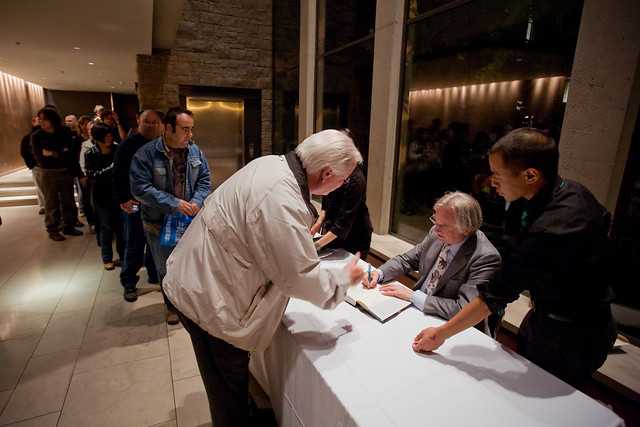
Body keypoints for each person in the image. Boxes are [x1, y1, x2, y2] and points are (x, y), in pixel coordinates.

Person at [162, 129, 366, 427]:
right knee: (225, 389)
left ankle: (244, 411)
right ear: (326, 173)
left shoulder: (270, 164)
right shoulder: (282, 199)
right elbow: (299, 278)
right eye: (343, 179)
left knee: (227, 380)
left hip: (198, 277)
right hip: (209, 299)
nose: (341, 186)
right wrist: (345, 279)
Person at [412, 128, 617, 388]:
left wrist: (441, 334)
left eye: (498, 175)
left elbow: (495, 295)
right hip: (543, 315)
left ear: (530, 175)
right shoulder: (561, 191)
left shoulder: (555, 226)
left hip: (572, 335)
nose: (491, 182)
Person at [363, 192, 501, 334]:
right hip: (416, 311)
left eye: (443, 225)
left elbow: (463, 309)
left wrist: (413, 296)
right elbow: (408, 260)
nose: (435, 228)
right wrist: (379, 273)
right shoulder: (436, 233)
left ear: (466, 229)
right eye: (435, 220)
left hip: (449, 328)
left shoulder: (485, 257)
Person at [130, 107, 211, 324]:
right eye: (185, 129)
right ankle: (172, 307)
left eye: (191, 129)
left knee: (193, 264)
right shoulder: (146, 154)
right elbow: (140, 188)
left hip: (189, 221)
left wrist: (197, 201)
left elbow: (204, 180)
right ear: (168, 128)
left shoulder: (195, 152)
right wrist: (174, 203)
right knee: (167, 267)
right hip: (158, 223)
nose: (190, 135)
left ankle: (191, 303)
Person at [113, 110, 163, 302]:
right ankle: (129, 282)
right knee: (134, 242)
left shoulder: (163, 144)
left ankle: (153, 274)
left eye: (155, 122)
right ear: (138, 121)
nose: (150, 125)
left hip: (159, 204)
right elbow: (118, 174)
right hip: (134, 203)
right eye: (146, 122)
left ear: (161, 124)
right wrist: (124, 199)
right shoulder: (128, 145)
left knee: (156, 242)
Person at [31, 107, 83, 241]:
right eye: (39, 119)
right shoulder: (37, 136)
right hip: (48, 172)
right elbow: (41, 158)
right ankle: (52, 228)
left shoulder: (64, 131)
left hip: (65, 170)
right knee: (51, 202)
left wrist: (53, 153)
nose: (41, 122)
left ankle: (69, 226)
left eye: (44, 119)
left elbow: (69, 153)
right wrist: (61, 152)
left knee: (69, 200)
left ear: (52, 119)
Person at [311, 158, 373, 257]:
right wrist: (318, 223)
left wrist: (316, 246)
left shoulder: (356, 180)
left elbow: (343, 224)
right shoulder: (335, 170)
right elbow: (326, 199)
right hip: (333, 232)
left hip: (355, 236)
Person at [85, 123, 123, 270]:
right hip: (101, 195)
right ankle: (107, 258)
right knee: (106, 227)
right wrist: (111, 168)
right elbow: (92, 175)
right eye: (106, 135)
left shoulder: (117, 149)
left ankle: (122, 256)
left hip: (118, 193)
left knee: (121, 228)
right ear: (98, 137)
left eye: (110, 134)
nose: (109, 137)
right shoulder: (91, 153)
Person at [20, 115, 45, 214]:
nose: (39, 122)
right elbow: (24, 152)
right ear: (33, 122)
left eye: (41, 120)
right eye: (37, 121)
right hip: (36, 166)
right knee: (39, 187)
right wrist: (32, 165)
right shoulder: (27, 138)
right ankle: (43, 206)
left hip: (48, 165)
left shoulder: (46, 135)